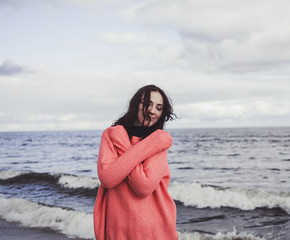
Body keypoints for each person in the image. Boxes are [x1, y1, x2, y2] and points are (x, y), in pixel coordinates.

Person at [93, 84, 178, 240]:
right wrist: (122, 139)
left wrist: (123, 146)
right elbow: (108, 178)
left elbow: (143, 186)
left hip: (153, 229)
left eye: (159, 108)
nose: (152, 111)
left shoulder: (159, 142)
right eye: (148, 104)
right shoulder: (112, 135)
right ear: (135, 104)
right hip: (117, 228)